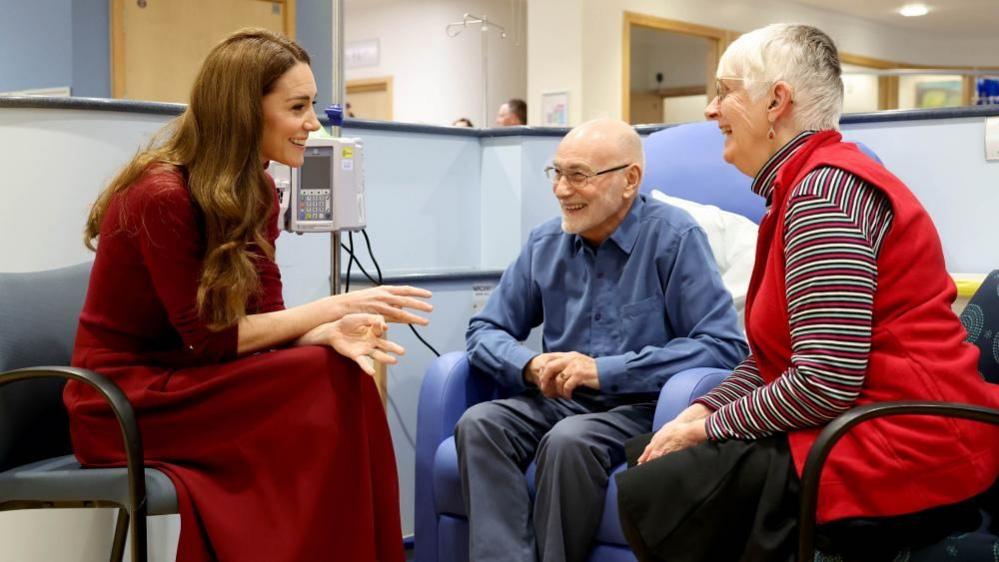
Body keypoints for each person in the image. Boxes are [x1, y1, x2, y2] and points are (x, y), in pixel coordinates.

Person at [615, 23, 999, 562]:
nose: (710, 109)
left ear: (776, 102)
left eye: (726, 90)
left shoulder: (823, 196)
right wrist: (700, 410)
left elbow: (824, 380)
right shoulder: (803, 187)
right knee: (657, 462)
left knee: (666, 491)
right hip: (863, 422)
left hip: (904, 446)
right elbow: (776, 359)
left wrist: (709, 429)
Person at [66, 28, 432, 562]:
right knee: (324, 374)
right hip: (124, 403)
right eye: (298, 107)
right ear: (244, 111)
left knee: (342, 368)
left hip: (191, 379)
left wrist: (324, 331)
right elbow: (210, 340)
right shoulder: (159, 196)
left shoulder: (256, 190)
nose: (313, 123)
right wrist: (333, 307)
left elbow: (262, 321)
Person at [456, 118, 748, 562]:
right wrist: (529, 367)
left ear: (629, 180)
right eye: (557, 173)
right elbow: (485, 330)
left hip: (642, 405)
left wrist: (604, 370)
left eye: (579, 176)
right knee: (480, 425)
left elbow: (722, 345)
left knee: (569, 441)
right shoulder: (545, 242)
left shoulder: (674, 237)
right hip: (559, 399)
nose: (561, 190)